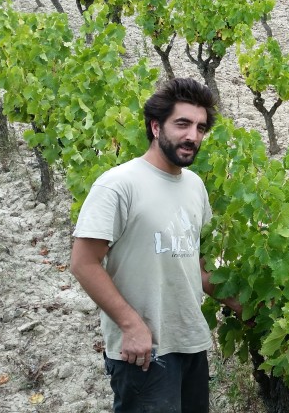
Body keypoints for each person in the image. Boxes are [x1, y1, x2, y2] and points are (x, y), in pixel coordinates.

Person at [70, 78, 238, 412]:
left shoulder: (195, 186)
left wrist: (242, 306)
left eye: (201, 127)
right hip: (143, 352)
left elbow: (197, 269)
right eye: (182, 124)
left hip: (190, 343)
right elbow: (83, 263)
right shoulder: (119, 185)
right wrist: (132, 327)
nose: (193, 135)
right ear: (156, 127)